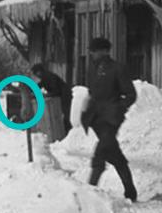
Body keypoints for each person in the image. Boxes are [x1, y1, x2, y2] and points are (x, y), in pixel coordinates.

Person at [81, 36, 138, 202]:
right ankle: (130, 191)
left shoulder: (117, 68)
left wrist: (118, 107)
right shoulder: (92, 69)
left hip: (111, 119)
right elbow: (92, 91)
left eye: (95, 51)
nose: (92, 54)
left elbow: (131, 94)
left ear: (104, 51)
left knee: (100, 153)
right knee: (114, 154)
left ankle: (89, 193)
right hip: (96, 119)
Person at [30, 63, 72, 134]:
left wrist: (47, 95)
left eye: (36, 73)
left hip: (65, 94)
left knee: (66, 113)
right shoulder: (44, 77)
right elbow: (38, 86)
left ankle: (67, 131)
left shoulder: (49, 76)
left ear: (39, 71)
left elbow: (55, 90)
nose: (36, 75)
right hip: (61, 95)